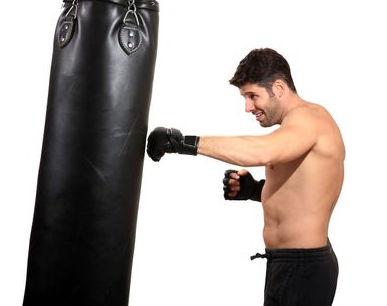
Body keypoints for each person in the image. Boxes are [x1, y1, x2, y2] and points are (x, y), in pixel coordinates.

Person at [146, 48, 345, 305]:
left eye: (253, 96)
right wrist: (255, 191)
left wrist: (182, 143)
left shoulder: (309, 119)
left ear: (279, 87)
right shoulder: (297, 127)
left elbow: (262, 151)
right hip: (289, 264)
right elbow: (305, 191)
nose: (248, 107)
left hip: (302, 267)